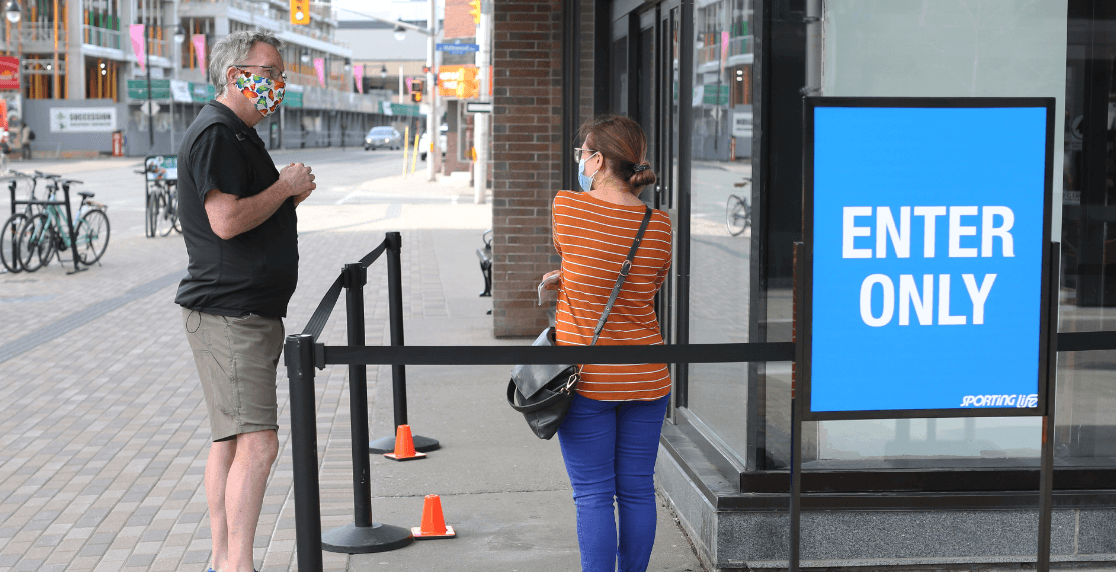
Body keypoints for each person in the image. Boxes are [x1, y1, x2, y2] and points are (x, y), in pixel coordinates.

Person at [175, 30, 314, 572]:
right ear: (236, 76)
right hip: (232, 316)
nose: (279, 83)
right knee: (258, 445)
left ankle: (223, 561)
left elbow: (243, 214)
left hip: (240, 313)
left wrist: (285, 195)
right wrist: (283, 187)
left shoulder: (237, 134)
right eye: (271, 71)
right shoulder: (217, 132)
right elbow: (226, 220)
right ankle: (237, 566)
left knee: (231, 442)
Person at [544, 115, 673, 572]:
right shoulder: (659, 225)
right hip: (648, 376)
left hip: (589, 378)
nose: (579, 160)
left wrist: (565, 280)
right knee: (637, 488)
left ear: (597, 160)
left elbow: (577, 253)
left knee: (594, 495)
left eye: (583, 152)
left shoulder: (569, 208)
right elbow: (646, 287)